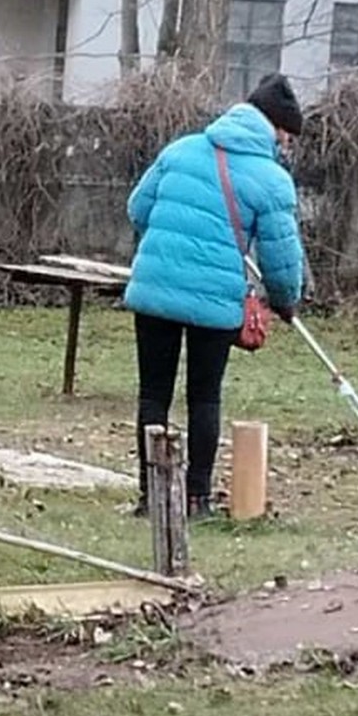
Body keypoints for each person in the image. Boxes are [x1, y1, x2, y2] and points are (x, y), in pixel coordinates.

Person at [123, 72, 305, 518]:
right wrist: (285, 300)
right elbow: (281, 258)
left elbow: (137, 209)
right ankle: (196, 498)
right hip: (214, 302)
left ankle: (152, 497)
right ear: (276, 128)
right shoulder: (271, 178)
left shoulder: (180, 149)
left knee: (154, 395)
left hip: (153, 291)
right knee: (204, 397)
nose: (287, 145)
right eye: (287, 135)